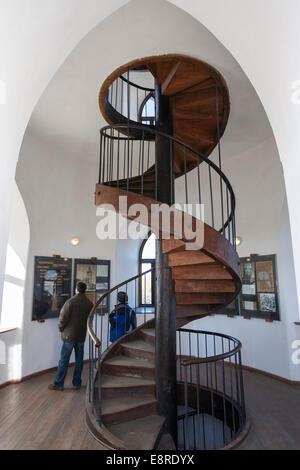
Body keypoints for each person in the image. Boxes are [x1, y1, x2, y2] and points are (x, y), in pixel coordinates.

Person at [48, 281, 93, 391]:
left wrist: (61, 329)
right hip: (81, 335)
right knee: (79, 360)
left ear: (76, 290)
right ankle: (76, 383)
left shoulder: (70, 302)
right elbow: (89, 319)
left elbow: (63, 318)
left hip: (69, 336)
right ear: (85, 290)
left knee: (64, 360)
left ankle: (59, 384)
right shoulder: (89, 303)